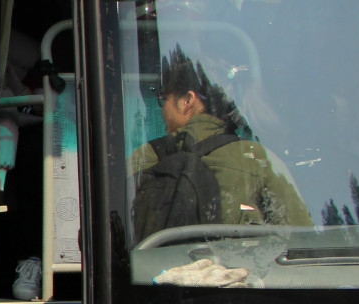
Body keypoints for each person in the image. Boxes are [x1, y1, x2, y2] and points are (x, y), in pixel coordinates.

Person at [130, 46, 311, 237]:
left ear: (187, 101)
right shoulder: (259, 160)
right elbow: (302, 240)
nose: (162, 109)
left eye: (164, 98)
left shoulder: (145, 157)